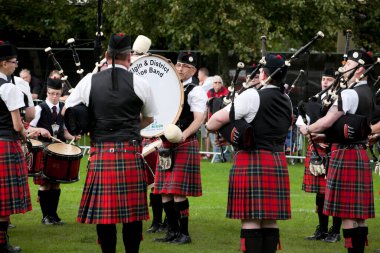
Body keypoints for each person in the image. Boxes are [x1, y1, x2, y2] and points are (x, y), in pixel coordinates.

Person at [63, 33, 157, 253]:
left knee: (105, 217)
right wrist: (133, 129)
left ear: (106, 55)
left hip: (101, 153)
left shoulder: (89, 80)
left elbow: (68, 111)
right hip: (129, 151)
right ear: (129, 57)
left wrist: (89, 123)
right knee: (132, 215)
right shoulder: (141, 83)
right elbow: (150, 118)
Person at [207, 54, 292, 253]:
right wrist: (233, 136)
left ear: (263, 74)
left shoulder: (252, 95)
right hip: (276, 160)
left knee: (251, 219)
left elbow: (213, 122)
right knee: (270, 219)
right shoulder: (286, 99)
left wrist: (228, 131)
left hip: (252, 160)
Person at [299, 50, 375, 253]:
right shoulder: (368, 92)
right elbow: (351, 127)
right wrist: (325, 137)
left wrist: (308, 128)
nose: (344, 67)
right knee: (359, 214)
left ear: (360, 70)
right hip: (359, 152)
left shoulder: (349, 93)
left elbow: (327, 121)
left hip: (345, 154)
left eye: (348, 64)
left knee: (349, 213)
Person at [153, 52, 207, 244]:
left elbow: (199, 118)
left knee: (177, 191)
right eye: (178, 65)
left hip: (184, 143)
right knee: (164, 191)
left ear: (193, 70)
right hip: (166, 144)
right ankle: (172, 232)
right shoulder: (170, 88)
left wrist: (184, 134)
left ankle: (184, 233)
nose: (180, 69)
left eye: (184, 66)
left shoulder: (196, 90)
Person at [296, 68, 342, 243]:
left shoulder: (340, 100)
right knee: (321, 193)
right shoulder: (315, 99)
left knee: (335, 191)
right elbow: (301, 122)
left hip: (333, 150)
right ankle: (322, 230)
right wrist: (309, 134)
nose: (325, 82)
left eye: (329, 79)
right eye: (324, 79)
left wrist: (326, 137)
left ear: (336, 82)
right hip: (317, 150)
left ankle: (335, 231)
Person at [28, 77, 80, 225]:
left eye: (57, 94)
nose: (55, 97)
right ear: (47, 93)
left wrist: (74, 135)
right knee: (45, 184)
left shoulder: (63, 109)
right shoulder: (39, 109)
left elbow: (64, 132)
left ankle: (54, 215)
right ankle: (46, 217)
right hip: (44, 152)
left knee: (56, 184)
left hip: (59, 153)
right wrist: (39, 129)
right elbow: (28, 128)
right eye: (51, 93)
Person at [0, 40, 33, 253]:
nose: (16, 65)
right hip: (5, 144)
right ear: (3, 64)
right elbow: (17, 124)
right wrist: (25, 136)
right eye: (13, 62)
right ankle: (2, 245)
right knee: (3, 201)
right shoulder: (9, 88)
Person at [207, 75, 230, 162]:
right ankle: (217, 158)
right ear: (212, 84)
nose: (217, 84)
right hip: (212, 118)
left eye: (219, 82)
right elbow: (208, 104)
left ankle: (226, 158)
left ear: (222, 84)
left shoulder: (226, 91)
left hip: (223, 119)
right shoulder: (210, 92)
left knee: (224, 139)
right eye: (215, 82)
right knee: (214, 140)